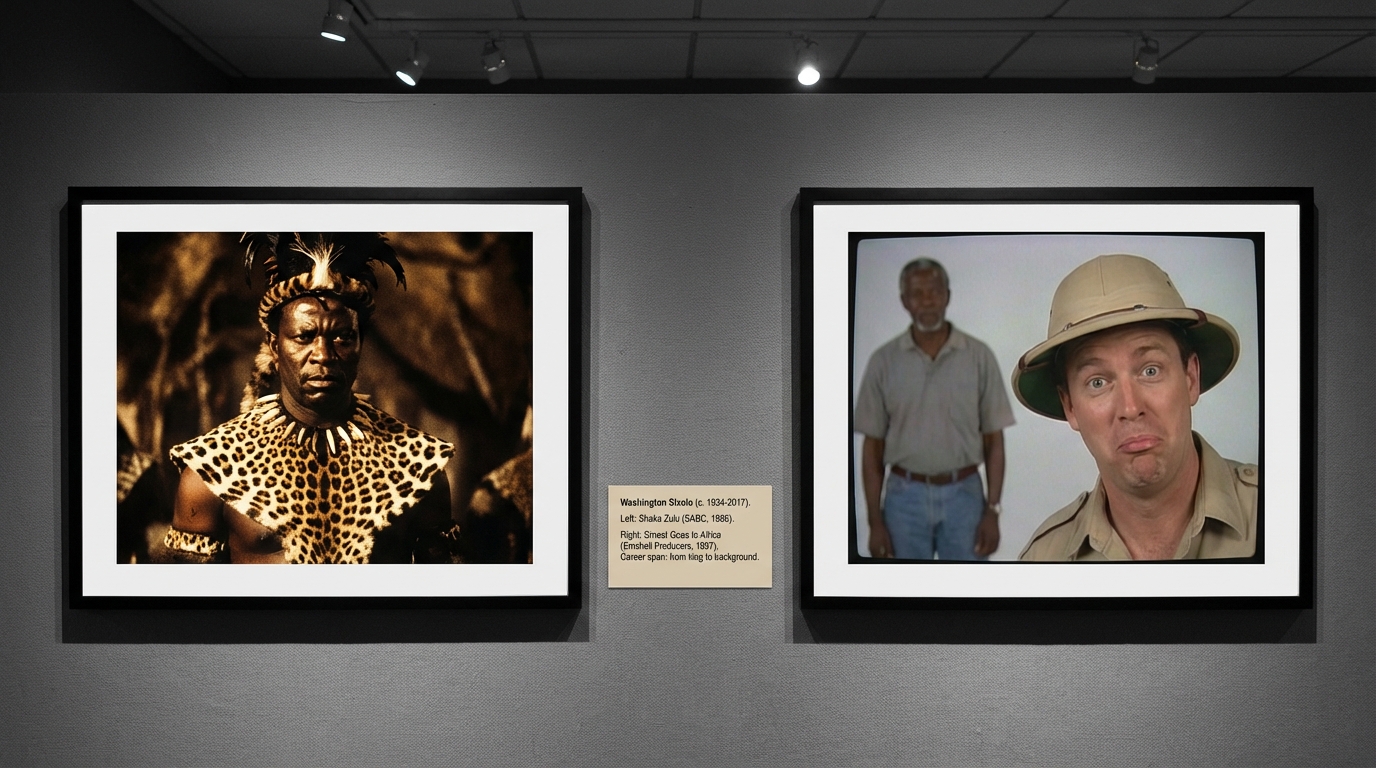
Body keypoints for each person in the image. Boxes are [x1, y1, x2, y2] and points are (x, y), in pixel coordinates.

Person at [157, 232, 455, 564]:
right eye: (305, 336)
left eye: (343, 337)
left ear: (360, 344)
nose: (324, 355)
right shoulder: (212, 469)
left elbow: (441, 603)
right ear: (274, 346)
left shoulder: (418, 467)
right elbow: (187, 610)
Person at [1014, 253, 1257, 561]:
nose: (1130, 408)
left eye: (1150, 370)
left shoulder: (1283, 514)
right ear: (1070, 406)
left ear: (1191, 377)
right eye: (1098, 382)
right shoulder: (1045, 562)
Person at [853, 257, 1016, 560]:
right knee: (907, 600)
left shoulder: (978, 357)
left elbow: (995, 441)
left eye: (934, 291)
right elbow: (871, 449)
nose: (927, 300)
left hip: (965, 497)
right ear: (904, 301)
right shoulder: (883, 362)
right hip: (904, 500)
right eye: (917, 293)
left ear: (948, 296)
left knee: (966, 597)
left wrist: (993, 510)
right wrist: (874, 522)